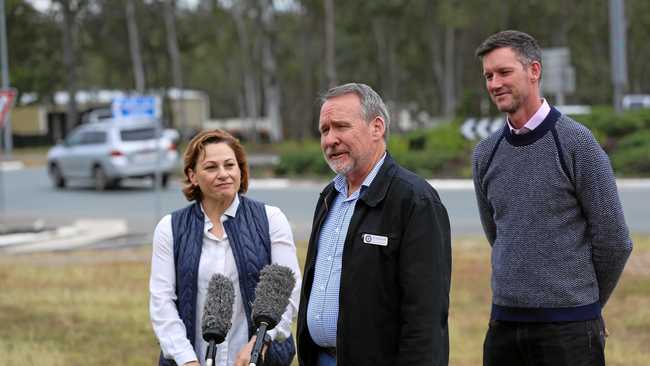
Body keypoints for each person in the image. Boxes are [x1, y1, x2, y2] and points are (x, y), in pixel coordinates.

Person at [472, 30, 633, 366]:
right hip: (503, 326)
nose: (494, 83)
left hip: (570, 331)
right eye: (489, 76)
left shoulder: (577, 144)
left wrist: (586, 305)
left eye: (504, 72)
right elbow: (498, 235)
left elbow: (615, 241)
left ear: (534, 71)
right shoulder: (485, 153)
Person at [296, 83, 452, 366]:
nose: (330, 139)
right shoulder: (329, 198)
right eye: (324, 130)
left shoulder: (415, 200)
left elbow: (425, 317)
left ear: (377, 127)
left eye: (341, 126)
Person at [150, 129, 302, 366]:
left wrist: (260, 343)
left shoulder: (271, 219)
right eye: (211, 167)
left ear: (240, 170)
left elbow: (289, 291)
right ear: (192, 176)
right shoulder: (169, 228)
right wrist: (186, 359)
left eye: (230, 165)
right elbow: (162, 302)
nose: (223, 174)